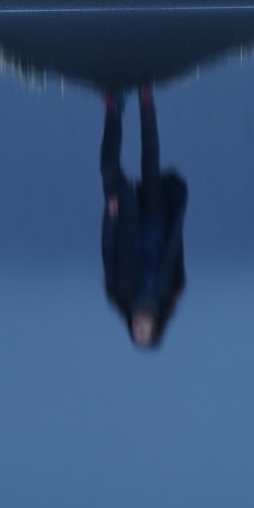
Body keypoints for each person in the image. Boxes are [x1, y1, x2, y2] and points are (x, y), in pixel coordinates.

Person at [101, 84, 187, 348]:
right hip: (155, 218)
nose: (139, 327)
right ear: (155, 327)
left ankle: (114, 109)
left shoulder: (119, 295)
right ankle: (147, 103)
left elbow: (108, 252)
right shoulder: (169, 292)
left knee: (108, 168)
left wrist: (111, 218)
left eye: (136, 332)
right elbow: (175, 247)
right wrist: (174, 213)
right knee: (150, 162)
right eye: (144, 331)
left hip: (126, 222)